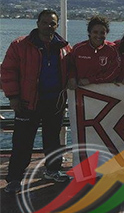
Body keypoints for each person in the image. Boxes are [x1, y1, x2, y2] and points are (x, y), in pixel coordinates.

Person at [1, 10, 71, 193]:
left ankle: (52, 170)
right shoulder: (20, 45)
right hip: (27, 102)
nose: (48, 26)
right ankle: (14, 179)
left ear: (57, 25)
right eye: (45, 22)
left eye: (52, 23)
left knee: (52, 140)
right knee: (22, 142)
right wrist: (13, 97)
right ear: (38, 23)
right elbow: (8, 71)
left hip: (54, 102)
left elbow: (73, 69)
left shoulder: (64, 47)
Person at [68, 16, 120, 88]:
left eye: (102, 33)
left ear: (106, 33)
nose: (98, 35)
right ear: (89, 32)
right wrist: (71, 78)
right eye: (95, 32)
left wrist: (90, 80)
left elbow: (114, 72)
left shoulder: (112, 49)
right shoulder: (78, 49)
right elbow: (70, 66)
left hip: (104, 90)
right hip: (81, 89)